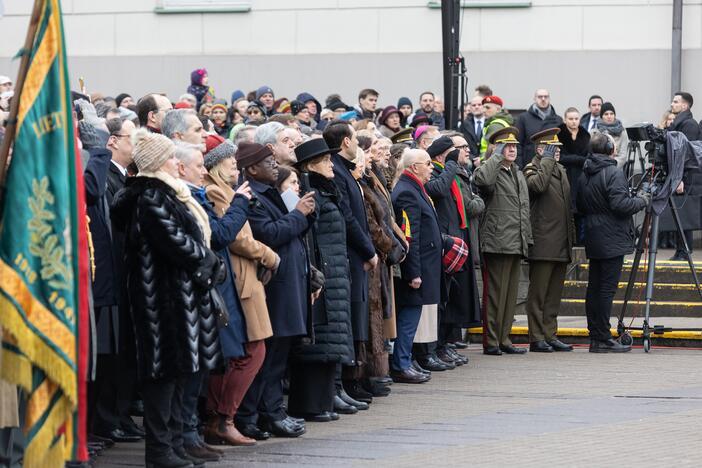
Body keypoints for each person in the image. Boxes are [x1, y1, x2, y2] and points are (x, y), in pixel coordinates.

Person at [111, 130, 224, 467]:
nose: (179, 163)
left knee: (178, 376)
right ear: (160, 161)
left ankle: (175, 444)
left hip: (179, 299)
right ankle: (160, 450)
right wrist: (209, 262)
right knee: (162, 377)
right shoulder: (151, 196)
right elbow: (178, 244)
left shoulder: (167, 194)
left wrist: (205, 263)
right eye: (174, 157)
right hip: (160, 302)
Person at [235, 142, 315, 438]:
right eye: (268, 163)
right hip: (274, 285)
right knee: (268, 355)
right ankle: (257, 414)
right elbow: (268, 234)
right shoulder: (252, 197)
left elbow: (294, 229)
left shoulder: (272, 193)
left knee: (278, 354)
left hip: (289, 279)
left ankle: (269, 412)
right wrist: (298, 214)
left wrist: (304, 212)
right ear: (252, 169)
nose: (275, 167)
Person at [199, 136, 271, 448]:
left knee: (246, 352)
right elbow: (232, 237)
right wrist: (269, 255)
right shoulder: (216, 192)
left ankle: (222, 417)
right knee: (248, 352)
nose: (234, 167)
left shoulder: (229, 190)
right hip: (237, 281)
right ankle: (221, 417)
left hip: (245, 280)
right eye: (229, 162)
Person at [286, 138, 355, 422]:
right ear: (311, 165)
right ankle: (311, 404)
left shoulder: (327, 190)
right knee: (320, 341)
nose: (331, 165)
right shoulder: (310, 191)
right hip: (323, 267)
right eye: (325, 161)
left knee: (332, 339)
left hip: (335, 268)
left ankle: (325, 399)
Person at [84, 117, 144, 445]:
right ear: (112, 142)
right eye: (131, 138)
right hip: (107, 276)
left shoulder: (121, 177)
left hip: (121, 275)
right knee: (108, 353)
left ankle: (118, 415)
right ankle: (107, 419)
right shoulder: (102, 176)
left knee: (122, 352)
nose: (135, 145)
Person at [322, 120, 379, 406]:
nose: (357, 143)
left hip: (357, 256)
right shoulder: (338, 172)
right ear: (345, 141)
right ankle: (346, 380)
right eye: (354, 138)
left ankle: (351, 380)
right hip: (352, 255)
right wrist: (368, 250)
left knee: (357, 316)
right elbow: (349, 217)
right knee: (351, 318)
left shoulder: (344, 171)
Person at [576, 132, 648, 353]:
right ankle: (603, 338)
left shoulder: (585, 172)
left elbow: (579, 205)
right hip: (611, 237)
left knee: (595, 288)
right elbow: (621, 205)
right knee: (606, 289)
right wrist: (643, 200)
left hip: (594, 236)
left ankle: (595, 336)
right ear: (609, 148)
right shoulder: (612, 172)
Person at [474, 127, 532, 356]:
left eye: (514, 146)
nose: (511, 149)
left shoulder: (517, 172)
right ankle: (492, 340)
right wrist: (495, 157)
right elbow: (482, 180)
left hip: (515, 240)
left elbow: (523, 208)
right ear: (495, 148)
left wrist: (526, 237)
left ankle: (505, 337)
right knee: (495, 295)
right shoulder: (491, 169)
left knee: (510, 296)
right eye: (506, 145)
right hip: (497, 241)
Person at [391, 149, 443, 383]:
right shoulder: (407, 193)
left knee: (412, 316)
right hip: (416, 268)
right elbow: (409, 236)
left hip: (425, 264)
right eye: (427, 163)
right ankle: (401, 363)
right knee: (409, 317)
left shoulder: (414, 188)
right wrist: (413, 272)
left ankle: (406, 359)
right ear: (414, 167)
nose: (432, 167)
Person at [523, 128, 574, 353]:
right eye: (554, 149)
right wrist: (546, 160)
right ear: (541, 149)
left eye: (559, 149)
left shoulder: (560, 169)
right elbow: (538, 186)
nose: (558, 153)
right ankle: (536, 336)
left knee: (554, 293)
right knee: (539, 294)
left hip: (561, 240)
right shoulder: (532, 168)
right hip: (543, 241)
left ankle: (550, 333)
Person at [668, 92, 702, 261]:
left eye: (675, 102)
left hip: (686, 177)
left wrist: (680, 178)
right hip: (679, 176)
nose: (672, 104)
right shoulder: (678, 123)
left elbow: (686, 155)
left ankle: (684, 252)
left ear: (685, 106)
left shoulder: (689, 125)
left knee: (685, 215)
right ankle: (680, 251)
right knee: (679, 215)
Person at [558, 107, 590, 245]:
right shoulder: (559, 134)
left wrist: (573, 159)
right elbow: (560, 157)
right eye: (570, 119)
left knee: (580, 209)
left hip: (581, 177)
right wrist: (578, 159)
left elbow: (588, 157)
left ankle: (579, 241)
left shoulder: (585, 135)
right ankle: (566, 241)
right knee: (565, 209)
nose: (573, 122)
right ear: (565, 119)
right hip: (564, 175)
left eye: (576, 119)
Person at [515, 89, 563, 168]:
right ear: (534, 99)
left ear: (549, 99)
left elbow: (561, 146)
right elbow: (518, 144)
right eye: (540, 97)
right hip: (530, 165)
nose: (543, 99)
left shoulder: (558, 120)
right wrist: (519, 167)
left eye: (546, 97)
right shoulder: (523, 118)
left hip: (552, 166)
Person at [595, 102, 628, 168]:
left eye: (611, 114)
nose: (609, 116)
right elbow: (592, 154)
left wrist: (611, 165)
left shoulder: (622, 132)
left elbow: (623, 156)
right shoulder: (595, 132)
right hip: (598, 167)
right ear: (602, 116)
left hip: (616, 168)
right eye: (606, 114)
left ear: (614, 115)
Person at [459, 95, 486, 163]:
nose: (476, 107)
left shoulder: (490, 122)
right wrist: (473, 159)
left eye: (479, 104)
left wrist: (482, 159)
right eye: (474, 105)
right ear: (470, 108)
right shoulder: (464, 124)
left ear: (484, 106)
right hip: (470, 159)